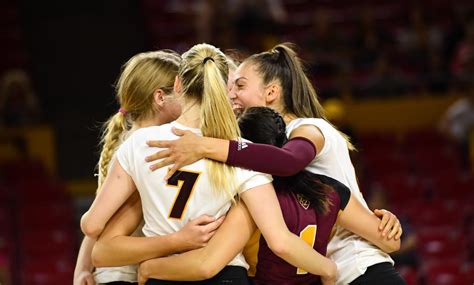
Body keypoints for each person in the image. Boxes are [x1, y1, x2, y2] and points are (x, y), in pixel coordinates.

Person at [145, 43, 406, 285]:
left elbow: (289, 161)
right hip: (326, 272)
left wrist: (204, 146)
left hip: (355, 266)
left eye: (240, 86)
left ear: (271, 92)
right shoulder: (261, 170)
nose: (231, 94)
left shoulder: (308, 127)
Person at [80, 43, 338, 284]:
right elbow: (280, 241)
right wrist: (329, 269)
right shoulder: (240, 151)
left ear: (178, 85)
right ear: (225, 90)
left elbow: (93, 228)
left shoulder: (139, 143)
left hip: (164, 273)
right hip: (226, 274)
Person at [133, 106, 400, 284]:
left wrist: (148, 268)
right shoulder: (330, 190)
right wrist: (390, 222)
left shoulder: (254, 201)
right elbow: (390, 243)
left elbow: (206, 263)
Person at [74, 50, 223, 285]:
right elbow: (94, 224)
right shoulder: (145, 146)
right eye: (180, 91)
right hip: (126, 270)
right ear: (160, 97)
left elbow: (98, 221)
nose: (186, 97)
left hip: (126, 267)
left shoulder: (128, 141)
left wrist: (82, 267)